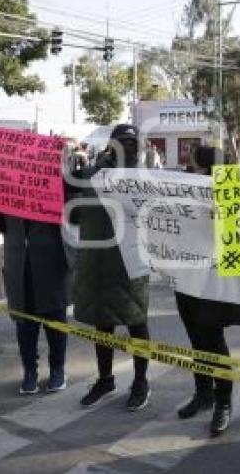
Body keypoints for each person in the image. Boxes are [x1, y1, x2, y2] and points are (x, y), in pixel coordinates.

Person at [174, 145, 240, 437]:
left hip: (213, 281)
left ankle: (224, 400)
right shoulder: (185, 189)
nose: (189, 168)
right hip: (185, 279)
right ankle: (203, 394)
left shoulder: (231, 193)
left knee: (212, 339)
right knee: (197, 339)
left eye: (194, 164)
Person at [70, 123, 153, 411]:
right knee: (101, 323)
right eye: (122, 144)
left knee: (136, 322)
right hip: (97, 262)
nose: (128, 149)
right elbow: (74, 212)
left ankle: (141, 381)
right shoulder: (91, 175)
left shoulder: (144, 178)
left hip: (130, 264)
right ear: (111, 145)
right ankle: (105, 380)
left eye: (133, 144)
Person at [0, 211, 72, 394]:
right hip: (19, 263)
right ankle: (30, 372)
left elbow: (73, 215)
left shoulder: (56, 183)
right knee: (25, 324)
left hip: (51, 260)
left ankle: (58, 369)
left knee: (55, 319)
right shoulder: (8, 189)